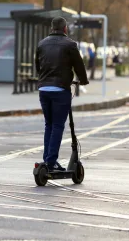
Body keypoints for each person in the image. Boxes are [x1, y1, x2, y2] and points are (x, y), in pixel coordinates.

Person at [35, 16, 89, 172]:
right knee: (58, 125)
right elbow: (79, 65)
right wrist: (83, 80)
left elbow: (38, 66)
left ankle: (47, 160)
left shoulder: (42, 43)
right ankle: (51, 162)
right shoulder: (70, 45)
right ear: (65, 29)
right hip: (60, 90)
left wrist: (43, 79)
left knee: (49, 125)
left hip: (44, 89)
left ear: (52, 28)